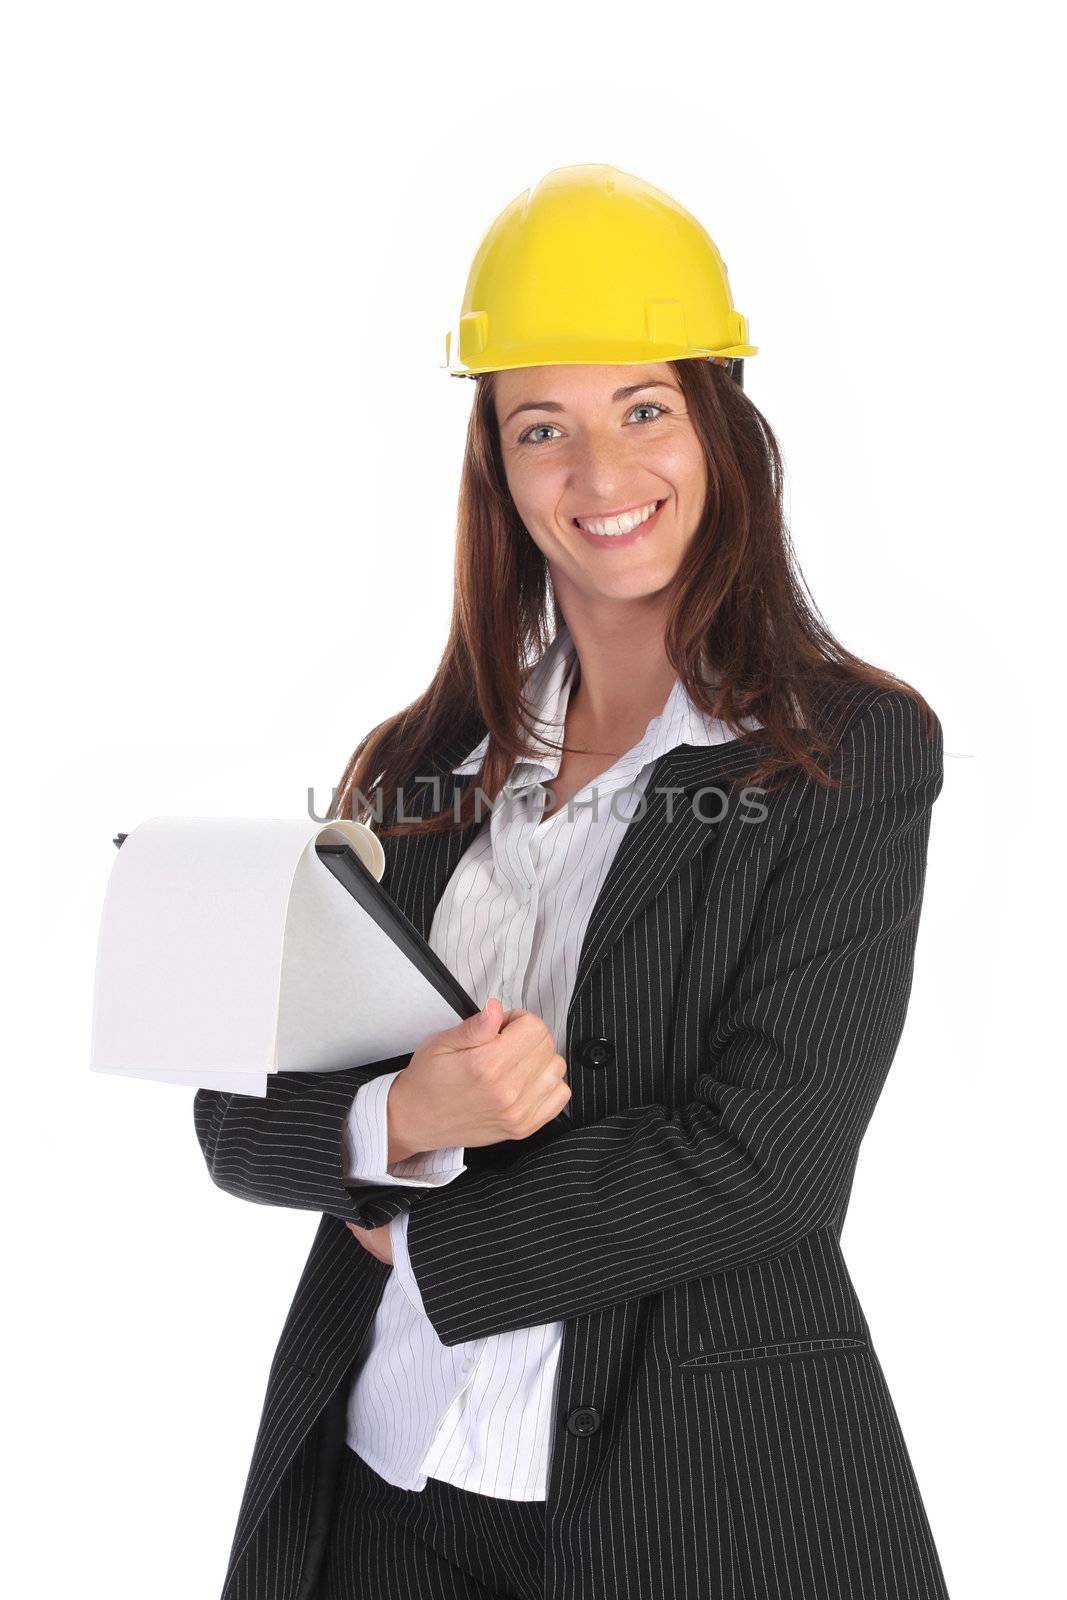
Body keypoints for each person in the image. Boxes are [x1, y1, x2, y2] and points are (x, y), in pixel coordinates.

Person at [193, 163, 953, 1600]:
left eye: (643, 409)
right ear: (497, 460)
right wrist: (404, 1115)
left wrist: (422, 1231)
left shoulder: (842, 753)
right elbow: (234, 1112)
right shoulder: (418, 763)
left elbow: (771, 1164)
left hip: (697, 1488)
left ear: (721, 426)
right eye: (545, 427)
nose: (601, 478)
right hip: (384, 1480)